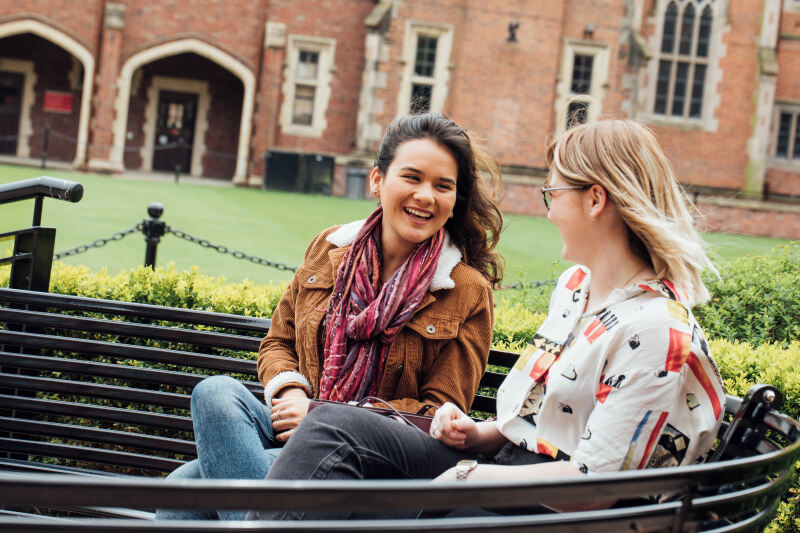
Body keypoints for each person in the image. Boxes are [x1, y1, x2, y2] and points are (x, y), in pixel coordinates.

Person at [249, 118, 726, 520]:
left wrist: (469, 474)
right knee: (324, 422)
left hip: (546, 509)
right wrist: (478, 433)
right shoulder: (577, 288)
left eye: (552, 192)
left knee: (328, 432)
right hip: (506, 468)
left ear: (595, 200)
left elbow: (593, 488)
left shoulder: (657, 331)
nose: (549, 209)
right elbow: (544, 417)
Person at [156, 112, 504, 520]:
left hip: (373, 459)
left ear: (454, 200)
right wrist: (292, 394)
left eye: (442, 186)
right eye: (412, 177)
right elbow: (279, 342)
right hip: (293, 426)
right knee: (214, 393)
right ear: (378, 181)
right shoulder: (330, 247)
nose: (426, 195)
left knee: (186, 484)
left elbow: (437, 416)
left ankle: (260, 517)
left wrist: (324, 417)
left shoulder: (466, 291)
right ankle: (273, 509)